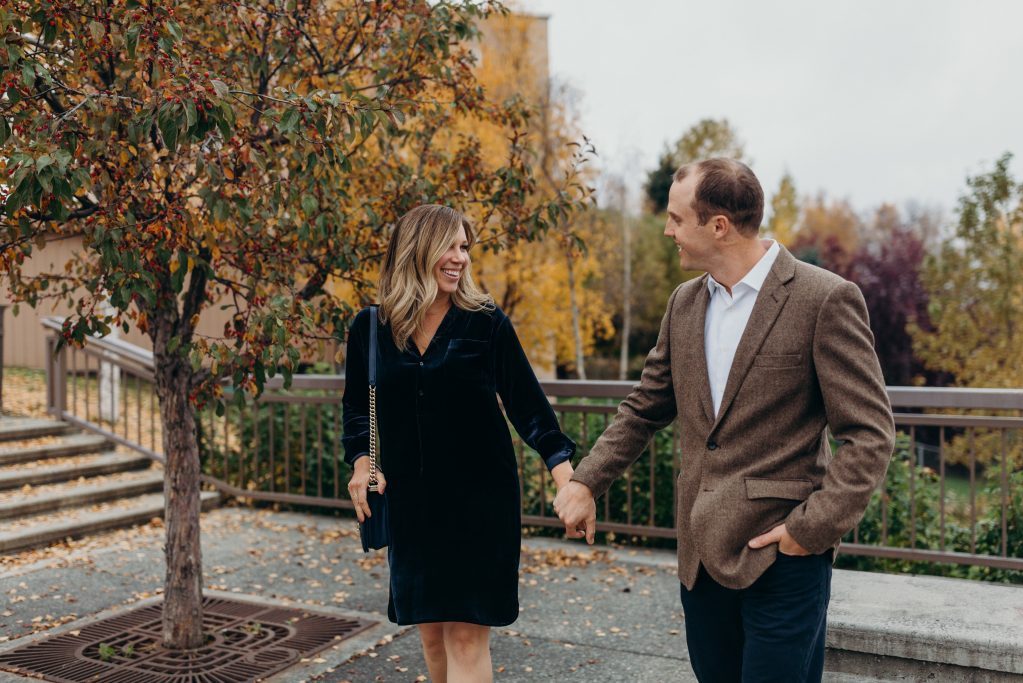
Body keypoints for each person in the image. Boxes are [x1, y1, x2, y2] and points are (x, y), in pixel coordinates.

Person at [554, 158, 895, 682]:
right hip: (700, 561)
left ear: (718, 226)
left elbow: (869, 436)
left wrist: (810, 530)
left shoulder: (824, 299)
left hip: (783, 559)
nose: (667, 230)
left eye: (675, 218)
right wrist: (585, 480)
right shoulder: (684, 304)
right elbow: (645, 405)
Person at [342, 204, 576, 683]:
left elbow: (530, 408)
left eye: (465, 247)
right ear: (417, 250)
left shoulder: (486, 322)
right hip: (412, 502)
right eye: (449, 246)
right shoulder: (370, 328)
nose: (460, 258)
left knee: (467, 636)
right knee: (431, 636)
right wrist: (362, 464)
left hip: (480, 502)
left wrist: (569, 481)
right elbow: (355, 411)